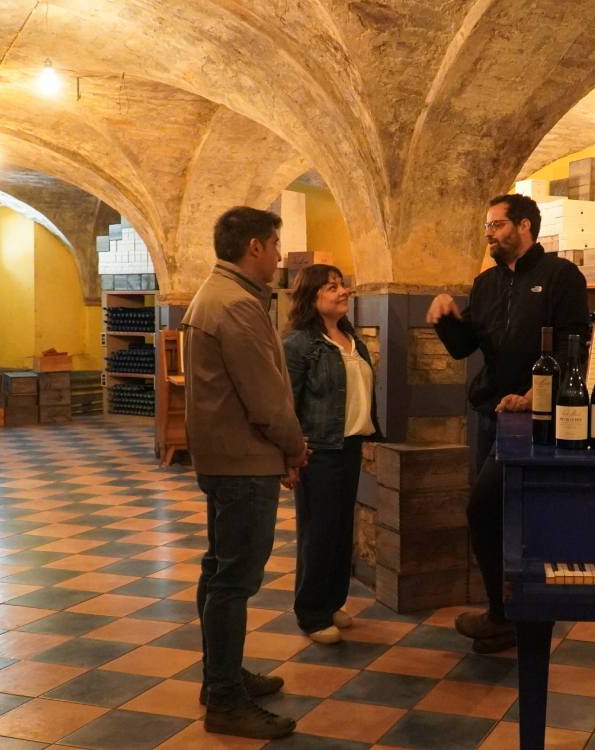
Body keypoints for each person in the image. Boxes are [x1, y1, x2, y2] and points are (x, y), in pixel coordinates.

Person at [425, 193, 589, 652]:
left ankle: (515, 613)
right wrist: (445, 318)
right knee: (492, 517)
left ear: (524, 226)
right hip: (489, 414)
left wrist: (536, 395)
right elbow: (463, 348)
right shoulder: (486, 283)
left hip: (535, 420)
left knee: (495, 511)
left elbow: (575, 346)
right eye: (487, 228)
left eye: (496, 225)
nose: (489, 234)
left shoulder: (560, 276)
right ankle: (507, 615)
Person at [182, 206, 310, 740]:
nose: (280, 256)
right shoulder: (236, 304)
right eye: (276, 244)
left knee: (219, 571)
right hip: (243, 460)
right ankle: (227, 701)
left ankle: (222, 680)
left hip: (225, 457)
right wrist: (295, 447)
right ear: (254, 246)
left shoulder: (218, 295)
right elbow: (266, 396)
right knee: (234, 580)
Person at [283, 264, 382, 645]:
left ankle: (332, 601)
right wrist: (291, 454)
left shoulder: (349, 336)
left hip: (350, 446)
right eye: (331, 287)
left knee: (342, 531)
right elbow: (287, 402)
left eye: (342, 285)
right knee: (318, 533)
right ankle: (310, 612)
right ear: (311, 297)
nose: (342, 292)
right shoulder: (299, 344)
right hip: (318, 450)